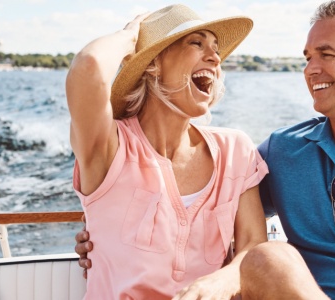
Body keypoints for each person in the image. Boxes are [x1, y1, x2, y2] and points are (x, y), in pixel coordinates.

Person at [77, 1, 335, 299]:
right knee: (270, 258)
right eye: (307, 57)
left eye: (326, 55)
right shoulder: (282, 150)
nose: (309, 68)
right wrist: (109, 228)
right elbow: (213, 213)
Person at [66, 4, 267, 300]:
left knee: (279, 259)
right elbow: (89, 66)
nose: (214, 57)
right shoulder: (110, 146)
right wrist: (129, 37)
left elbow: (255, 248)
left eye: (216, 49)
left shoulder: (235, 149)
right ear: (153, 64)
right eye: (196, 43)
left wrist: (220, 283)